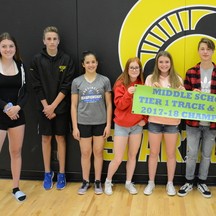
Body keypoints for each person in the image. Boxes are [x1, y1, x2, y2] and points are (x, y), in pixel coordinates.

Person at [177, 37, 216, 198]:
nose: (205, 52)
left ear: (213, 51)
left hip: (212, 123)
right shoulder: (191, 72)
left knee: (207, 154)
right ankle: (189, 181)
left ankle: (202, 181)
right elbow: (184, 97)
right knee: (191, 153)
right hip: (193, 121)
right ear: (198, 51)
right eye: (202, 49)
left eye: (208, 49)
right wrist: (190, 94)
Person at [29, 26, 75, 190]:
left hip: (60, 108)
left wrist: (54, 106)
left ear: (59, 41)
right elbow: (36, 85)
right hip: (44, 109)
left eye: (54, 39)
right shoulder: (36, 60)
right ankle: (48, 173)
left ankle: (61, 174)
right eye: (49, 39)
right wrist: (46, 107)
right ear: (44, 41)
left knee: (60, 138)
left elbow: (66, 85)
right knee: (46, 139)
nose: (52, 42)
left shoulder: (66, 59)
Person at [71, 51, 112, 195]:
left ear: (97, 63)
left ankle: (97, 181)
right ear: (83, 64)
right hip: (83, 123)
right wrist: (75, 126)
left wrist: (108, 125)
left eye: (93, 62)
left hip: (100, 122)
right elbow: (74, 106)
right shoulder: (77, 82)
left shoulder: (104, 80)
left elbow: (109, 104)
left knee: (98, 152)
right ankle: (85, 181)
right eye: (87, 62)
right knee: (85, 153)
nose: (90, 65)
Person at [143, 50, 184, 196]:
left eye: (166, 62)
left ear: (171, 63)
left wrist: (181, 93)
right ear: (157, 63)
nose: (164, 64)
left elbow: (182, 103)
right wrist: (152, 92)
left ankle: (170, 183)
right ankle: (151, 182)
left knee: (171, 154)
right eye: (161, 62)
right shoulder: (150, 79)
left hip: (172, 123)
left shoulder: (178, 79)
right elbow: (144, 101)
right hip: (155, 121)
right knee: (153, 153)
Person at [104, 57, 147, 195]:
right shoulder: (120, 84)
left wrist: (145, 119)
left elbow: (148, 105)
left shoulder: (143, 84)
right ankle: (108, 181)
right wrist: (128, 93)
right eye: (132, 67)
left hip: (136, 126)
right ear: (127, 69)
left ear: (140, 70)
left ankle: (128, 182)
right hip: (121, 125)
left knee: (132, 156)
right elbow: (120, 105)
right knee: (118, 158)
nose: (134, 70)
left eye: (137, 67)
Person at [0, 32, 28, 201]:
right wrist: (5, 107)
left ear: (15, 48)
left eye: (11, 46)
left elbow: (25, 91)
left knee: (16, 151)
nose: (7, 49)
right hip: (1, 114)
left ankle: (16, 188)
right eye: (4, 46)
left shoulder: (21, 65)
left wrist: (17, 107)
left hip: (17, 115)